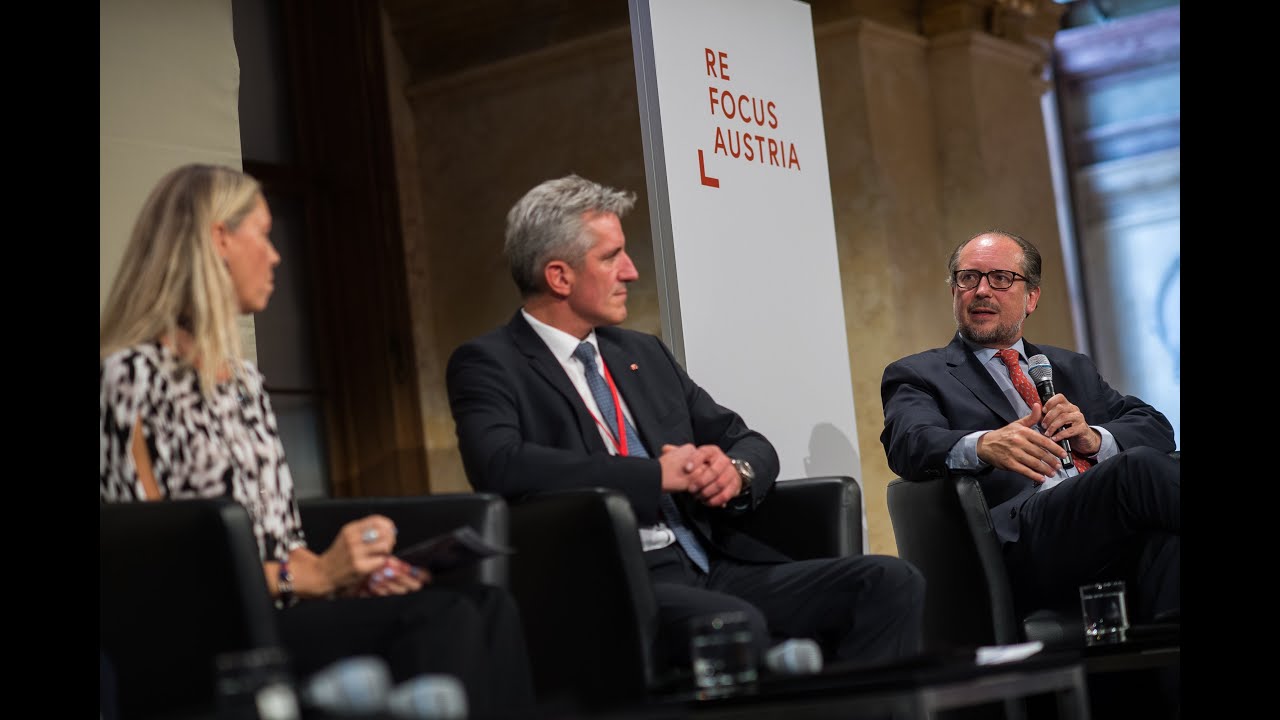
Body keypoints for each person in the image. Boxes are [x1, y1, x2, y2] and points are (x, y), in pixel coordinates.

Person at [100, 164, 535, 718]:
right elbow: (148, 573)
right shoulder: (128, 378)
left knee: (490, 604)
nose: (276, 255)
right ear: (219, 239)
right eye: (263, 232)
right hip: (210, 637)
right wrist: (312, 576)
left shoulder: (244, 383)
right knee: (439, 620)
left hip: (282, 611)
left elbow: (287, 547)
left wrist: (345, 576)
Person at [446, 174, 925, 677]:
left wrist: (735, 471)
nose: (630, 272)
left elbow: (744, 439)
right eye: (611, 257)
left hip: (710, 562)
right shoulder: (490, 363)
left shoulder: (640, 353)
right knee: (730, 624)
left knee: (889, 581)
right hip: (612, 582)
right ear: (560, 277)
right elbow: (499, 464)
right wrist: (655, 476)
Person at [879, 230, 1179, 713]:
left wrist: (1093, 438)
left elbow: (1155, 426)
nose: (981, 291)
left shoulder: (1068, 367)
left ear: (1031, 296)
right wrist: (982, 445)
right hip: (1022, 539)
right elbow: (909, 441)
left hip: (1104, 528)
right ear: (954, 289)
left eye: (1000, 278)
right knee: (1138, 471)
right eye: (968, 278)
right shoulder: (919, 374)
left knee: (1169, 544)